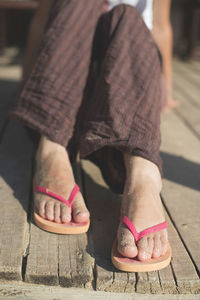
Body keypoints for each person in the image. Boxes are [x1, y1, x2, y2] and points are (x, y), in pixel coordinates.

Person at [10, 0, 172, 272]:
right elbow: (42, 23)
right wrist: (31, 89)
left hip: (128, 87)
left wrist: (164, 86)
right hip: (67, 84)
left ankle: (143, 173)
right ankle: (52, 147)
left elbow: (161, 27)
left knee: (128, 18)